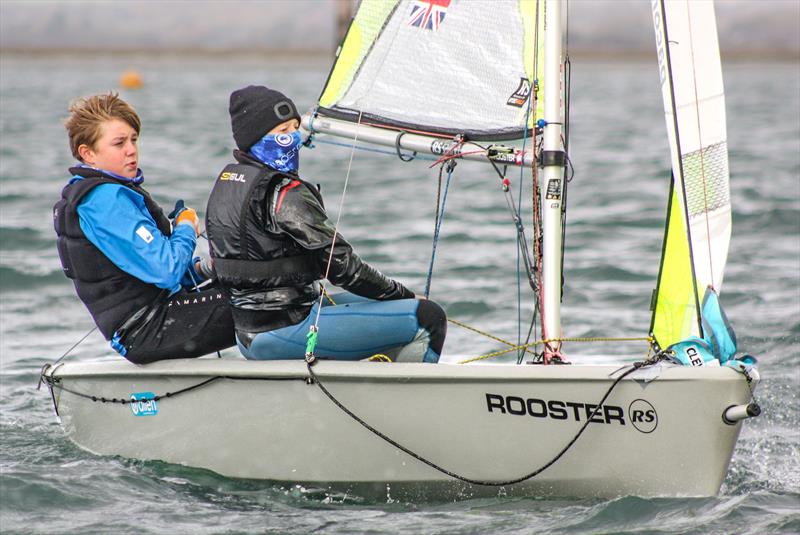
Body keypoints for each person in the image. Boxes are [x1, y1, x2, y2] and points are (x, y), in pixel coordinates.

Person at [205, 85, 446, 362]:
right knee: (427, 317)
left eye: (295, 128)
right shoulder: (286, 193)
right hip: (286, 330)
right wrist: (402, 294)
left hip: (247, 334)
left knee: (394, 309)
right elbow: (344, 269)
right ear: (255, 139)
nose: (293, 139)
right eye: (282, 132)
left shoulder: (226, 187)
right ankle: (405, 402)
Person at [55, 92, 235, 364]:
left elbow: (157, 273)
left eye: (133, 140)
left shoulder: (105, 193)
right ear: (88, 153)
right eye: (119, 143)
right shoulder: (104, 201)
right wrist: (185, 226)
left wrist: (201, 270)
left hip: (152, 320)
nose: (131, 150)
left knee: (255, 289)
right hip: (147, 329)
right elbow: (166, 270)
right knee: (267, 303)